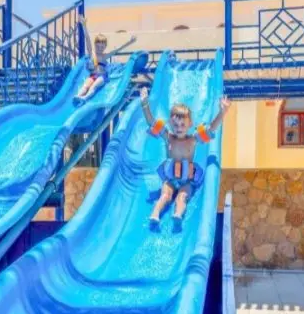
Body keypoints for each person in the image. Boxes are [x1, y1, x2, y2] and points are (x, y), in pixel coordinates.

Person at [141, 87, 231, 233]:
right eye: (176, 125)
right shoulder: (168, 137)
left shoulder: (193, 140)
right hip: (170, 179)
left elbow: (211, 129)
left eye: (183, 125)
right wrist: (144, 104)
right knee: (165, 195)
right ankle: (155, 214)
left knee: (182, 197)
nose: (179, 128)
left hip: (187, 180)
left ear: (190, 124)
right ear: (170, 124)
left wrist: (222, 112)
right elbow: (151, 122)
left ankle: (178, 215)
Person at [74, 16, 137, 103]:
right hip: (93, 75)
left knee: (94, 86)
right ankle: (78, 96)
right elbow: (87, 39)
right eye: (98, 46)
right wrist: (84, 25)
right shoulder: (92, 54)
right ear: (95, 45)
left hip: (102, 76)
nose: (100, 48)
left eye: (102, 47)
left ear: (105, 47)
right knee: (85, 86)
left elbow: (118, 49)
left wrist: (130, 42)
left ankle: (85, 98)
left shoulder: (105, 56)